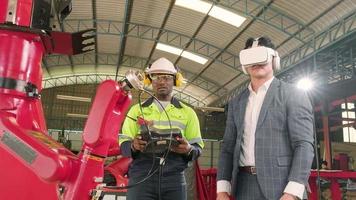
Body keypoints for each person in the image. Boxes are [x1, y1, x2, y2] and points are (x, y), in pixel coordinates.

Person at [217, 36, 314, 200]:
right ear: (244, 64)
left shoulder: (293, 95)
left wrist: (292, 191)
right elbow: (228, 147)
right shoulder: (236, 102)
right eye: (250, 57)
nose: (256, 62)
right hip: (243, 186)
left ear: (274, 59)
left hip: (282, 186)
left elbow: (303, 145)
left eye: (261, 55)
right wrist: (222, 189)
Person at [119, 57, 204, 200]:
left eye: (166, 77)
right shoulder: (136, 110)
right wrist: (133, 146)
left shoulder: (188, 113)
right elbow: (123, 144)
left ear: (175, 80)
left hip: (174, 179)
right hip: (142, 178)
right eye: (157, 77)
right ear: (150, 80)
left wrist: (189, 149)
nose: (162, 82)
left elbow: (198, 148)